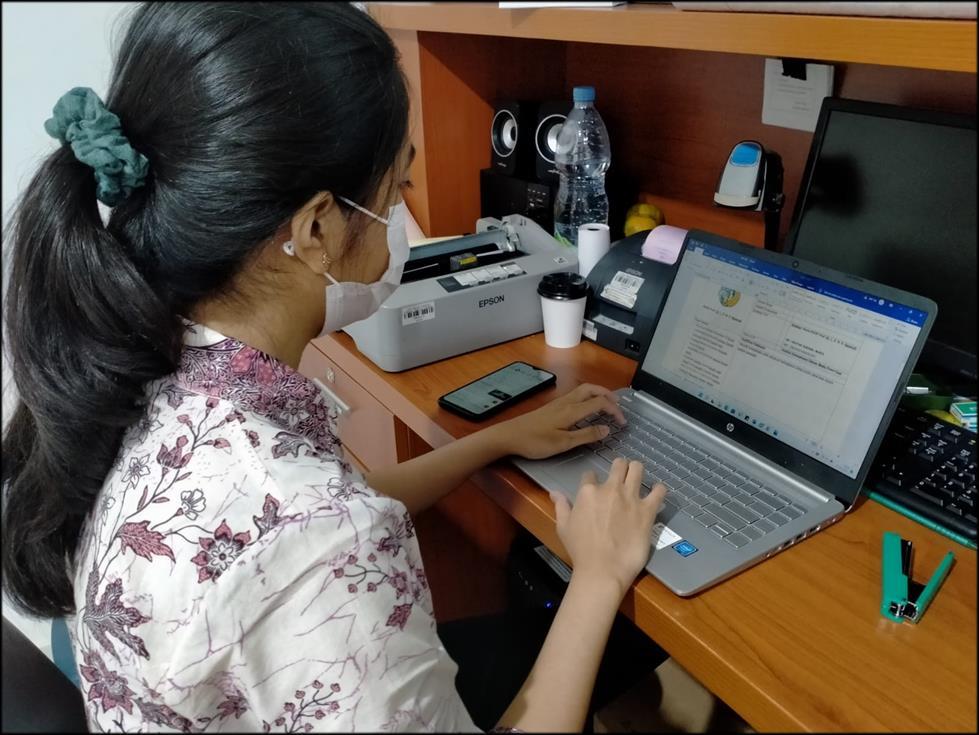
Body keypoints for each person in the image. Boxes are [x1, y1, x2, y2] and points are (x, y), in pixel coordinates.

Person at [1, 3, 667, 732]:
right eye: (396, 191)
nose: (401, 222)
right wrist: (598, 573)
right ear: (316, 228)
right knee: (611, 635)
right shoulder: (318, 532)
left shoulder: (139, 373)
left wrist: (493, 441)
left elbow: (297, 521)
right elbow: (315, 531)